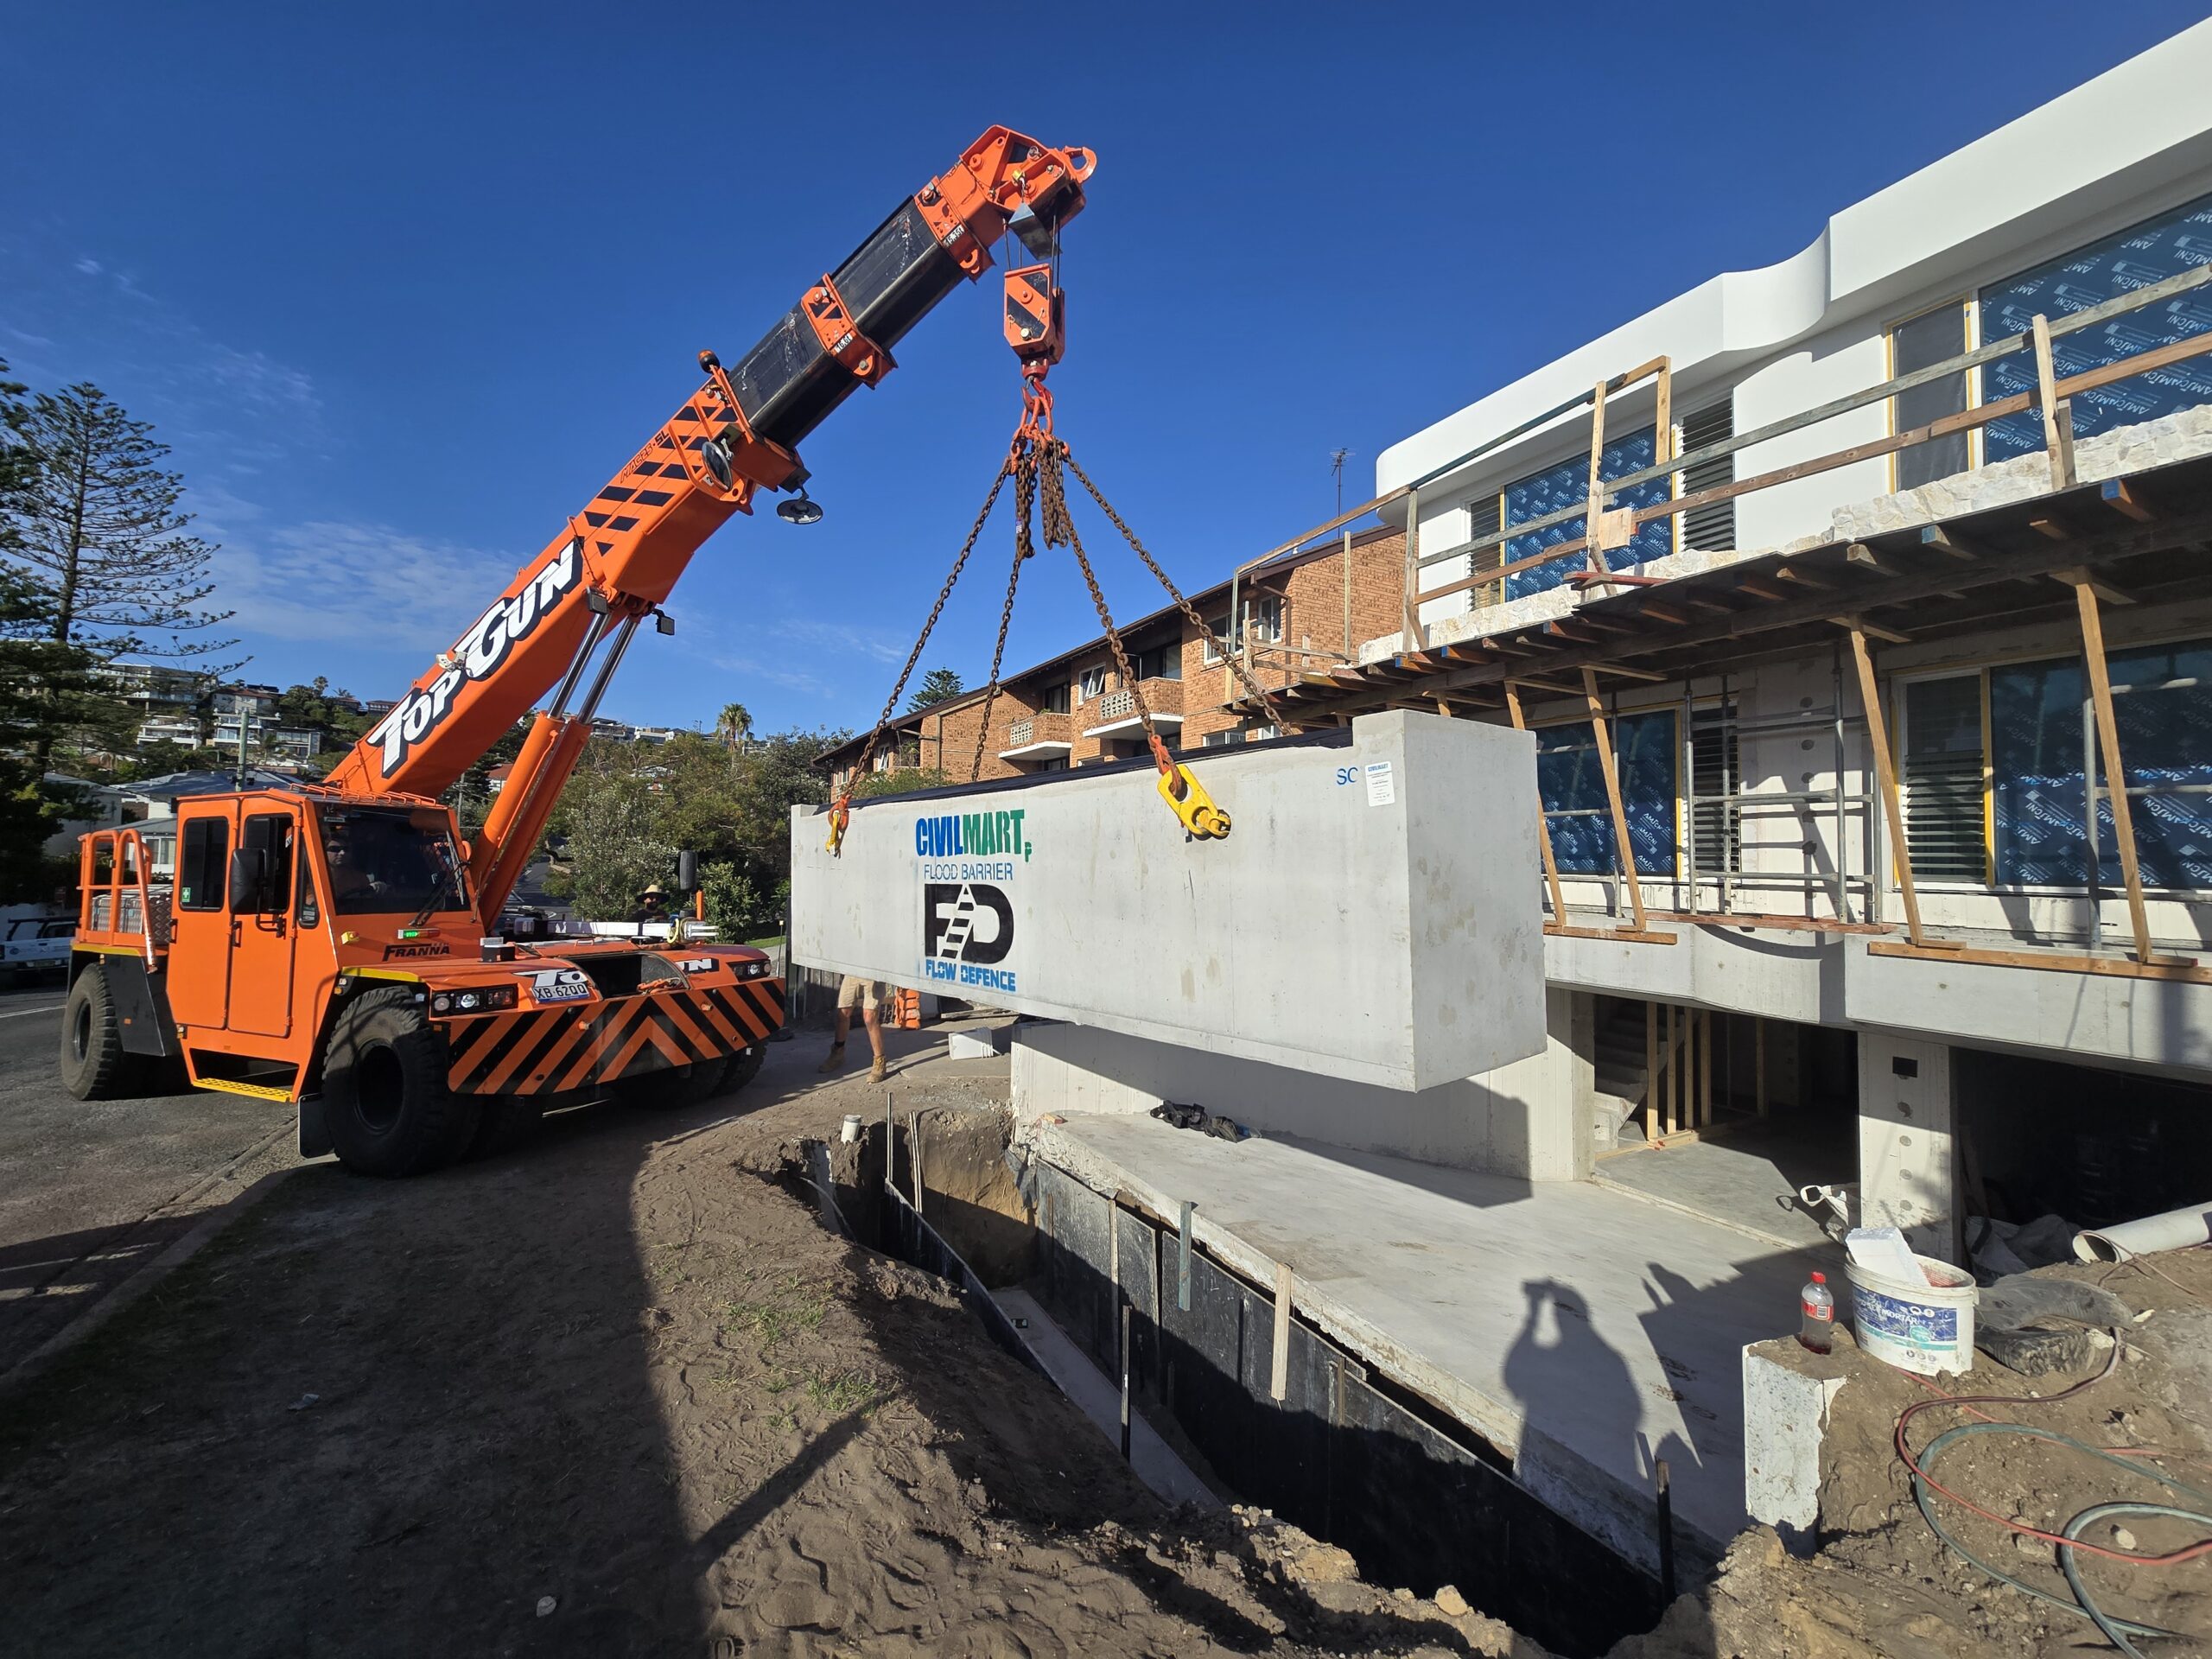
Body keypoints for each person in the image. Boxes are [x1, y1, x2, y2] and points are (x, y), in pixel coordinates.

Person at [821, 976, 887, 1083]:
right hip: (854, 971)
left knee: (870, 1017)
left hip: (874, 973)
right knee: (843, 1012)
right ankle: (838, 1053)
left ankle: (879, 1061)